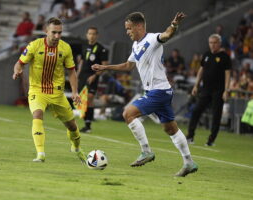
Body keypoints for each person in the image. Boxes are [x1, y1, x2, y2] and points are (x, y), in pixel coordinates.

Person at [92, 12, 198, 177]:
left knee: (128, 113)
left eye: (129, 28)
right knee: (170, 129)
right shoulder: (135, 45)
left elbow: (167, 34)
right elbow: (128, 65)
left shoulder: (152, 39)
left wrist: (174, 24)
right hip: (159, 91)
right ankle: (189, 162)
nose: (128, 32)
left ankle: (146, 151)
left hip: (159, 91)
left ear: (139, 26)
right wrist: (105, 67)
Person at [12, 17, 86, 164]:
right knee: (37, 115)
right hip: (37, 90)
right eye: (54, 32)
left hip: (57, 93)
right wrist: (17, 71)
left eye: (60, 33)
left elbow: (71, 71)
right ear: (46, 31)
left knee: (72, 126)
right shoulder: (34, 45)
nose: (57, 36)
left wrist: (75, 92)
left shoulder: (65, 48)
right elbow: (19, 63)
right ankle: (40, 153)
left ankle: (76, 148)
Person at [186, 34, 231, 146]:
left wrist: (226, 90)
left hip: (218, 91)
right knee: (196, 111)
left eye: (215, 42)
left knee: (216, 115)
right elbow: (201, 70)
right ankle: (190, 136)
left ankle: (211, 140)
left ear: (219, 43)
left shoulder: (225, 57)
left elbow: (228, 75)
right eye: (210, 42)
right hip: (206, 89)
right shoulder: (206, 55)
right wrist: (196, 85)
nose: (212, 45)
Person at [77, 26, 108, 133]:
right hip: (82, 77)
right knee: (82, 101)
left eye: (94, 34)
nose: (91, 35)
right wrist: (77, 75)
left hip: (93, 77)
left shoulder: (101, 49)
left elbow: (104, 66)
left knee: (90, 98)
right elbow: (81, 62)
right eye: (89, 33)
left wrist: (95, 75)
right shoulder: (84, 46)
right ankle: (87, 121)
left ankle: (88, 125)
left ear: (97, 35)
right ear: (87, 35)